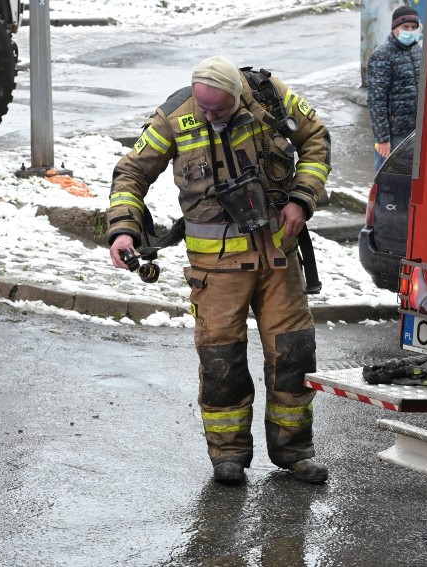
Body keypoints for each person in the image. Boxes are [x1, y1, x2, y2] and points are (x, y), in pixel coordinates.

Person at [107, 56, 332, 485]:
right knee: (221, 363)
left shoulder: (270, 96)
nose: (210, 117)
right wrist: (123, 230)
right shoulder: (174, 117)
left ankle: (296, 452)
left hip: (278, 258)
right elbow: (132, 172)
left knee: (294, 357)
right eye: (203, 109)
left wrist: (301, 199)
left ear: (238, 96)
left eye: (220, 110)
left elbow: (316, 139)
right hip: (216, 270)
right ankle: (227, 457)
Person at [367, 5, 422, 171]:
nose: (410, 31)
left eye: (413, 27)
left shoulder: (417, 51)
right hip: (394, 134)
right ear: (395, 28)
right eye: (405, 27)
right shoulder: (382, 55)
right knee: (389, 181)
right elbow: (377, 100)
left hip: (415, 129)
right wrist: (382, 138)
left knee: (411, 179)